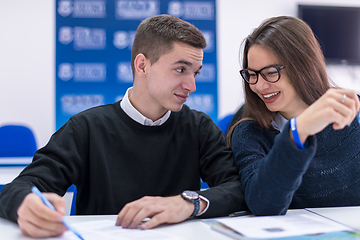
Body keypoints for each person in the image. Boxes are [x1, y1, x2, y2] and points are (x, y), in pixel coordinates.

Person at [0, 14, 246, 238]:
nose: (191, 86)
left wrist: (187, 203)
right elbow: (20, 188)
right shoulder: (85, 127)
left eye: (196, 73)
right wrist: (25, 204)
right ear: (142, 66)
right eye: (180, 69)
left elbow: (237, 189)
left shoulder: (199, 127)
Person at [228, 16, 360, 216]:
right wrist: (298, 132)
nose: (258, 86)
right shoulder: (249, 133)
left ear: (303, 65)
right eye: (251, 74)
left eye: (271, 72)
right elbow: (263, 204)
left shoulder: (352, 111)